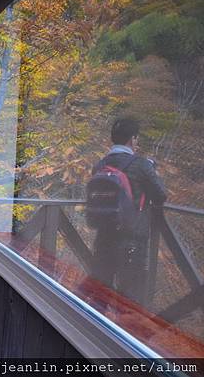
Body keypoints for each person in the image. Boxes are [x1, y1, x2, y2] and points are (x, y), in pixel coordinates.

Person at [90, 117, 167, 306]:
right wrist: (151, 170)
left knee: (100, 295)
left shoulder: (100, 165)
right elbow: (160, 195)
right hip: (131, 242)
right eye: (137, 138)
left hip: (103, 239)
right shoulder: (141, 165)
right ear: (132, 139)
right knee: (130, 302)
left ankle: (96, 331)